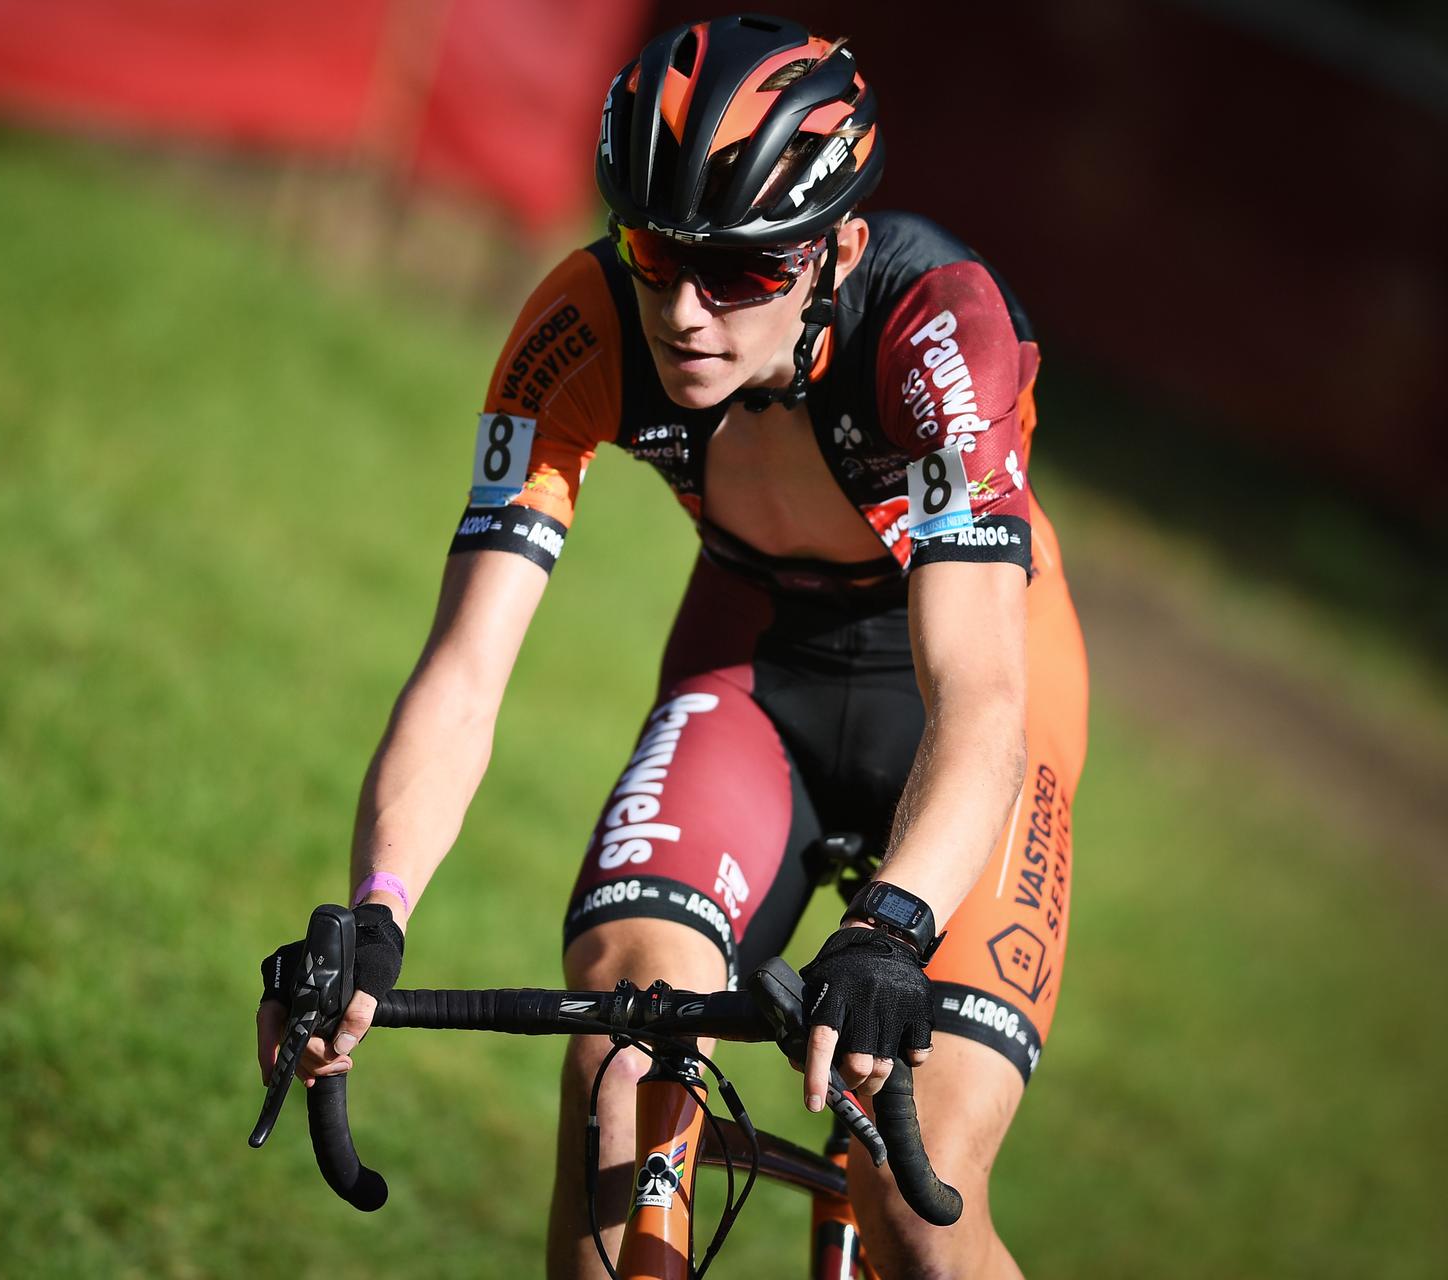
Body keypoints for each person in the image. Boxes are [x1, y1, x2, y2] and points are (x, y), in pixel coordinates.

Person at [258, 14, 1088, 1277]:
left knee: (920, 1200)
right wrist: (378, 912)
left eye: (744, 272)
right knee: (623, 1063)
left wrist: (893, 925)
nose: (686, 312)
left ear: (837, 250)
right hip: (757, 672)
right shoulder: (582, 328)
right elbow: (468, 664)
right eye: (654, 251)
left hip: (961, 706)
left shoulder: (933, 331)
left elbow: (978, 693)